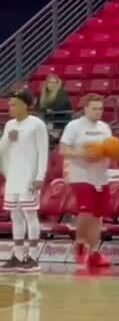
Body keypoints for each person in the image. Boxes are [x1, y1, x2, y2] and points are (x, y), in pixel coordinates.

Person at [60, 94, 113, 269]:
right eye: (95, 108)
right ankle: (81, 243)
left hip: (100, 175)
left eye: (101, 108)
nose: (99, 112)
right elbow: (63, 149)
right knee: (86, 212)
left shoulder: (105, 127)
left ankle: (94, 252)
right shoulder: (74, 126)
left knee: (98, 216)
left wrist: (109, 154)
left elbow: (111, 150)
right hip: (80, 174)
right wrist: (83, 154)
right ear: (85, 108)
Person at [0, 89, 48, 272]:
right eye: (9, 104)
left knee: (30, 214)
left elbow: (44, 151)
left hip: (30, 177)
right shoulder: (10, 125)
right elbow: (3, 148)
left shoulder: (36, 124)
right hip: (13, 176)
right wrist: (7, 139)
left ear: (26, 106)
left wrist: (40, 177)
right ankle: (18, 255)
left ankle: (33, 257)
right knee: (15, 216)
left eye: (14, 104)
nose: (10, 107)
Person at [37, 73, 73, 137]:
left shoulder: (61, 93)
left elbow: (59, 107)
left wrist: (46, 110)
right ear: (46, 84)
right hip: (47, 121)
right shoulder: (42, 95)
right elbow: (38, 108)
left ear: (58, 84)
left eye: (54, 82)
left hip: (59, 121)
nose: (52, 85)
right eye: (50, 82)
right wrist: (45, 110)